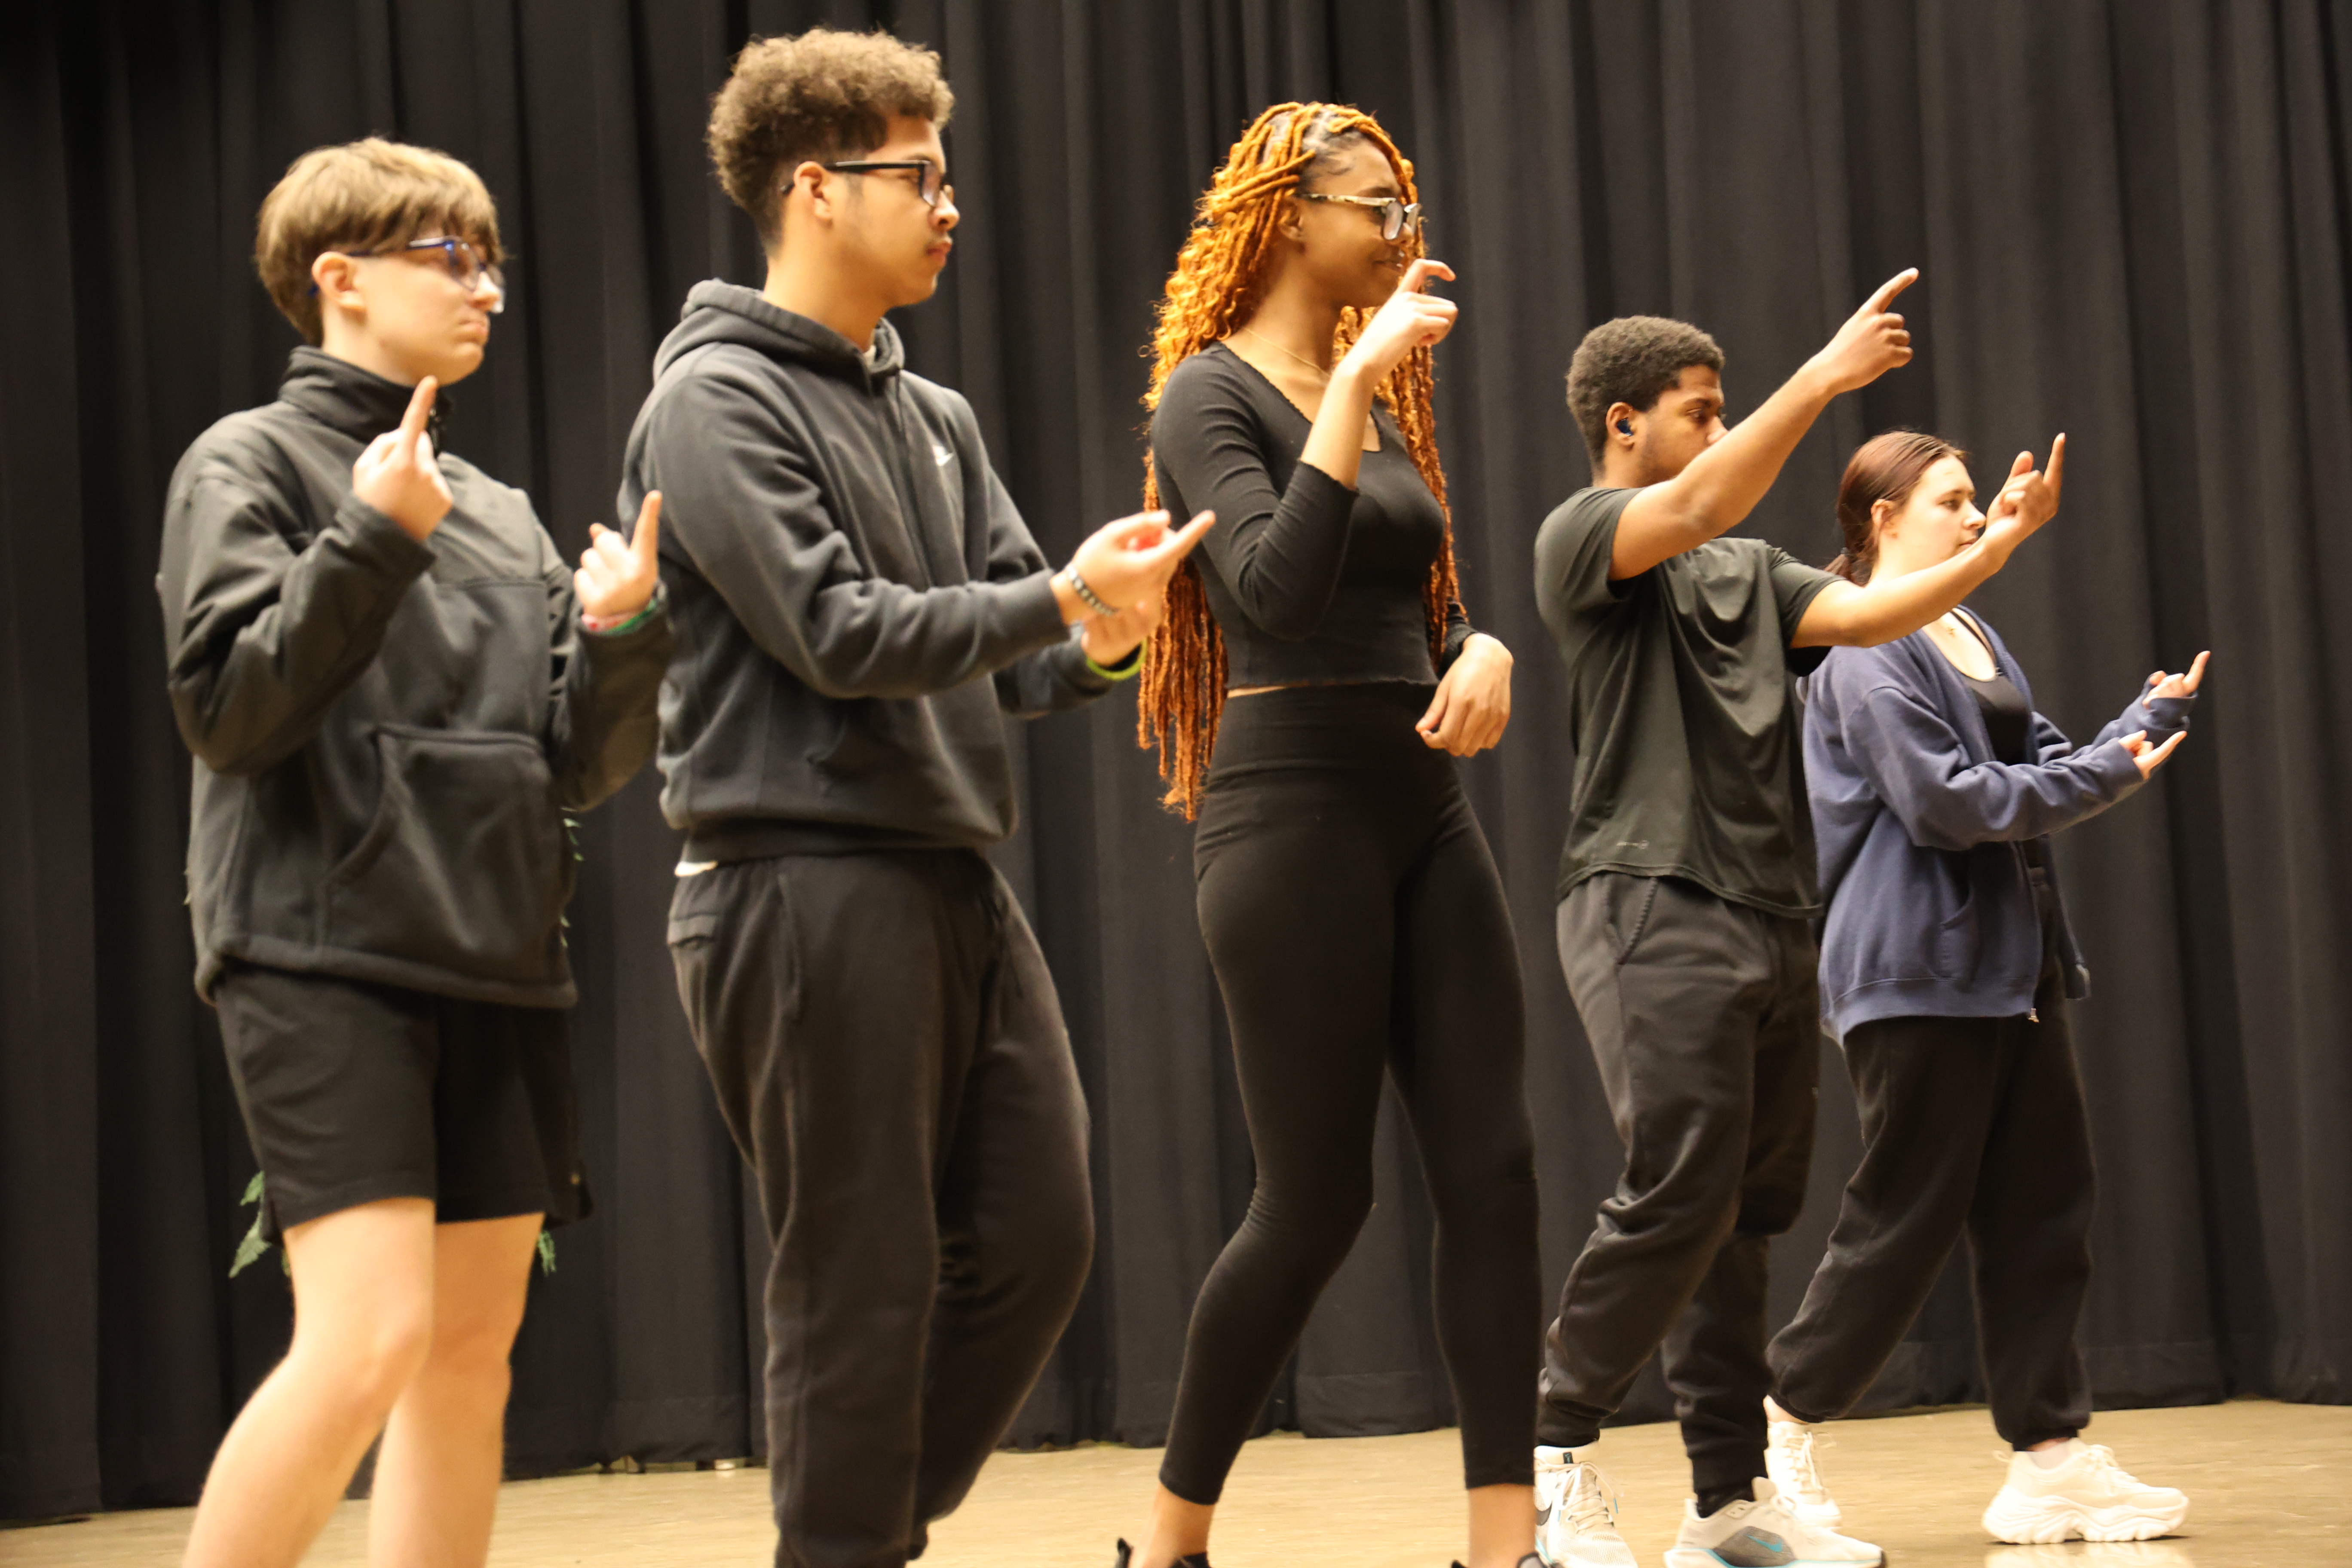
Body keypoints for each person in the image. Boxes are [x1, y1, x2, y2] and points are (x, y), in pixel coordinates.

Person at [618, 30, 1213, 1568]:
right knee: (858, 1278)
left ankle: (858, 1533)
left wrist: (1098, 639)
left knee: (1036, 1240)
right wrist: (1056, 600)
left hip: (949, 873)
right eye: (919, 178)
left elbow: (1017, 644)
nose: (952, 207)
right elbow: (838, 632)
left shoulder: (930, 411)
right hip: (793, 882)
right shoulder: (714, 400)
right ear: (814, 190)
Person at [158, 139, 672, 1568]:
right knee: (368, 1337)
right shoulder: (246, 464)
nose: (487, 291)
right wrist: (372, 537)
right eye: (453, 260)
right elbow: (228, 710)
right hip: (323, 949)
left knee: (468, 1355)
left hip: (496, 954)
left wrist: (626, 637)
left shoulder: (496, 509)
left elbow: (574, 765)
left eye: (492, 264)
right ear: (341, 279)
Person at [1528, 285, 2069, 1568]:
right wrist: (1824, 376)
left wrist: (1994, 546)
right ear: (1624, 426)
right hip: (1646, 899)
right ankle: (1550, 1455)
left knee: (1743, 1218)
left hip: (1774, 915)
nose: (1718, 435)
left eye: (1726, 411)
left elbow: (1875, 613)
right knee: (1680, 1182)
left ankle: (1726, 1506)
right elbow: (1702, 502)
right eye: (1698, 413)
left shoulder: (1751, 574)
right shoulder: (1585, 537)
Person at [1120, 103, 1539, 1568]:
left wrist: (1479, 646)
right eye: (1381, 209)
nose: (1403, 237)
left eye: (1408, 214)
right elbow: (1278, 597)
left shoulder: (1381, 396)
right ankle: (1169, 1543)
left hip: (1421, 805)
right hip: (1287, 816)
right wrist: (1355, 381)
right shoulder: (1206, 396)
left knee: (1493, 1169)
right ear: (1293, 215)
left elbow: (1414, 600)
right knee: (1316, 1202)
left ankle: (1505, 1547)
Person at [1759, 431, 2200, 1548]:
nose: (1976, 516)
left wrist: (2135, 728)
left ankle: (2049, 1461)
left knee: (2043, 1207)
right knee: (1904, 1218)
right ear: (1881, 518)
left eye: (1972, 500)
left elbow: (2041, 755)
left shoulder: (1964, 628)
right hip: (1917, 975)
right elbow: (1948, 804)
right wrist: (2107, 771)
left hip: (2015, 973)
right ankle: (1775, 1438)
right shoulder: (1861, 650)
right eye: (1953, 500)